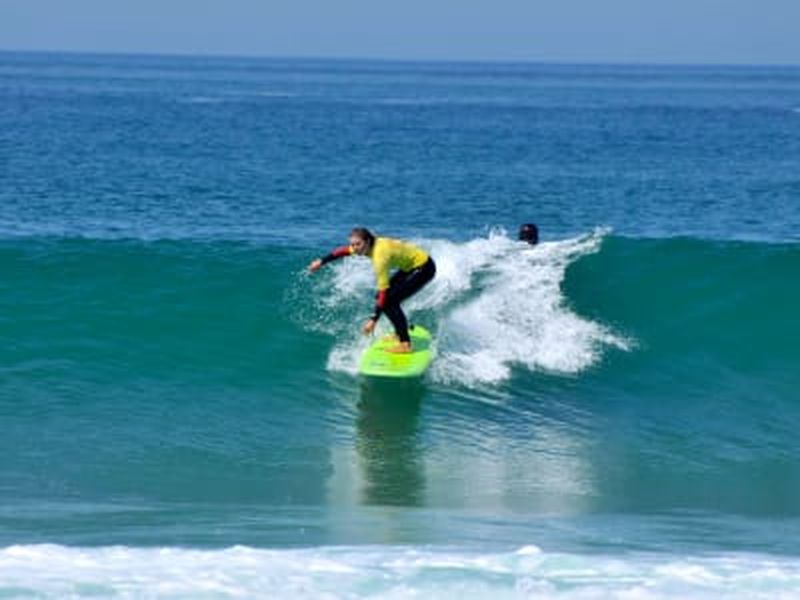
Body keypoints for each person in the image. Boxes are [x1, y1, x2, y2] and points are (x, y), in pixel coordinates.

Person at [308, 227, 436, 353]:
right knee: (385, 300)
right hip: (410, 266)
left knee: (389, 302)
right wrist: (322, 261)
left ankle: (405, 343)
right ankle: (400, 333)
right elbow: (344, 251)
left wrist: (373, 320)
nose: (355, 248)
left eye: (358, 244)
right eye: (353, 244)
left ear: (367, 241)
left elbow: (383, 291)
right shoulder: (367, 245)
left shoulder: (379, 256)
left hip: (424, 268)